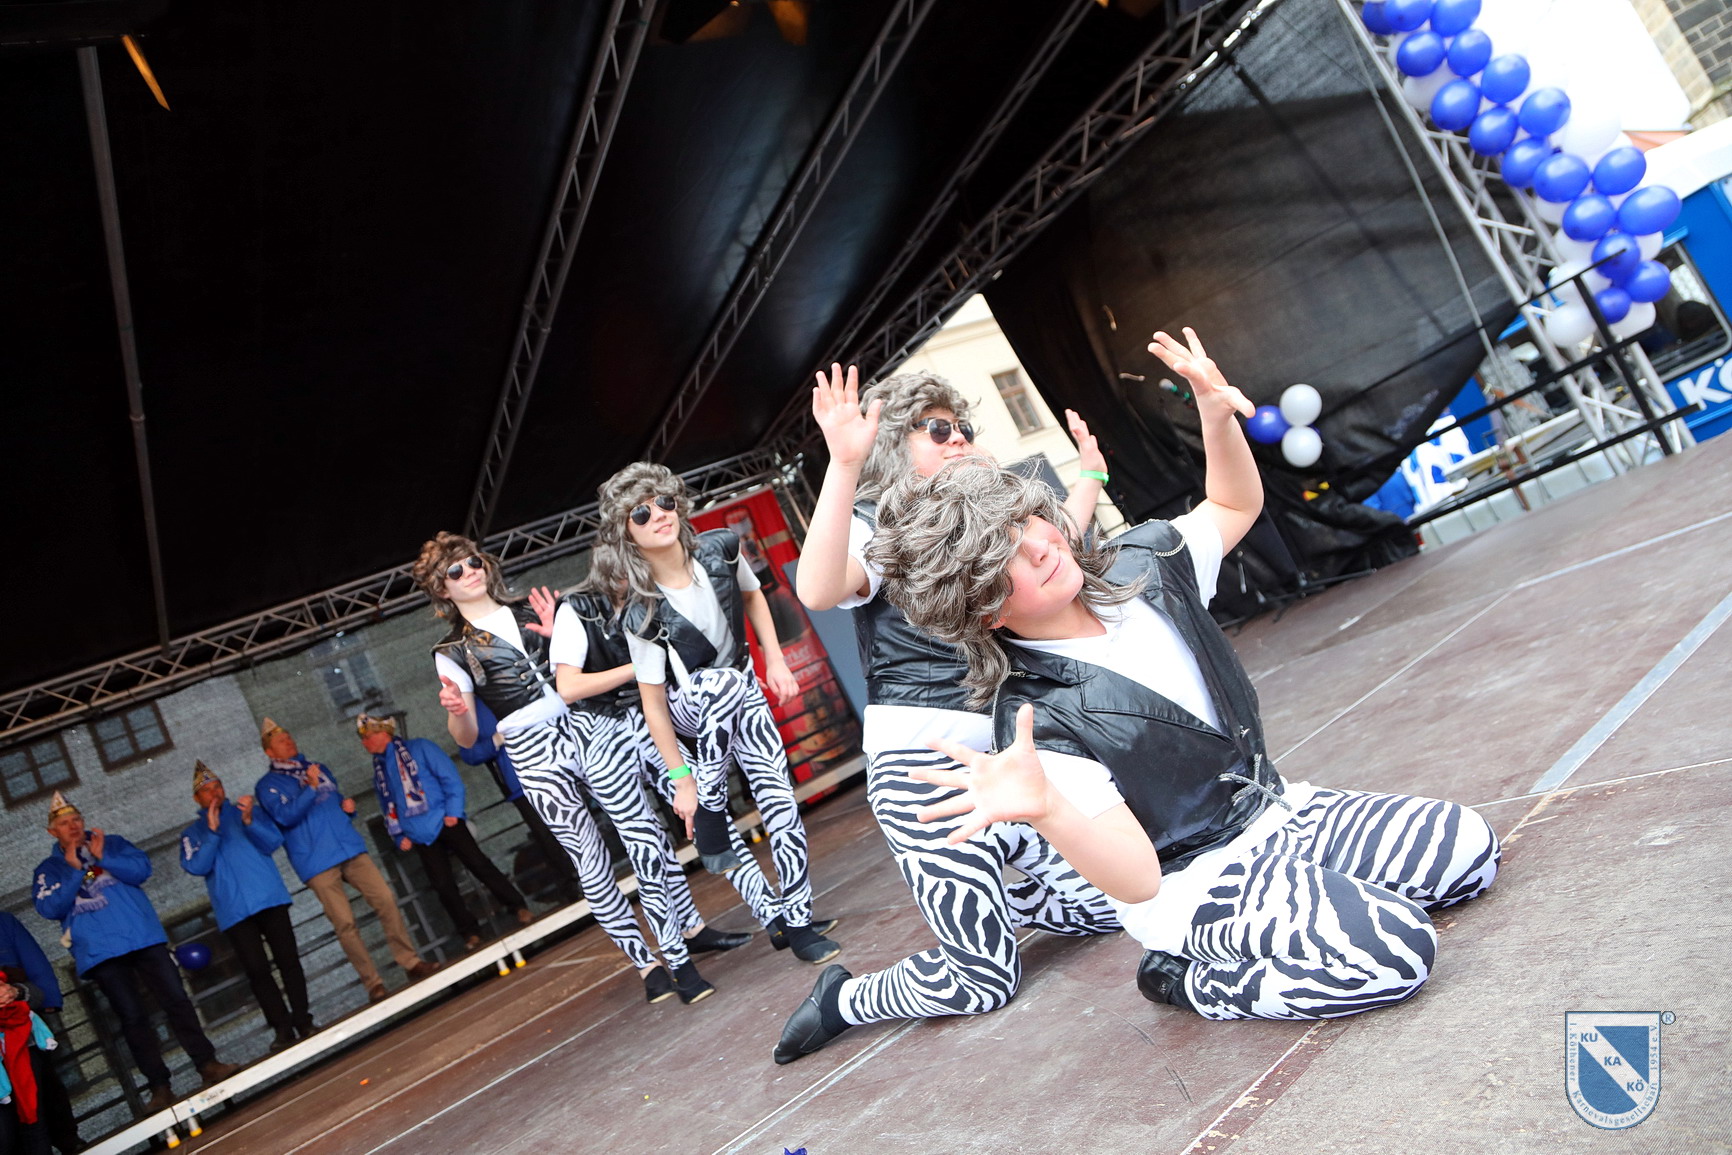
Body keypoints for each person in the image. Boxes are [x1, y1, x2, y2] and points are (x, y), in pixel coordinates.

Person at [864, 329, 1502, 1022]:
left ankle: (1315, 900)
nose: (1040, 547)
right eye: (1007, 557)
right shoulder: (1036, 718)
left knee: (1469, 849)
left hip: (1284, 813)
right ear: (984, 608)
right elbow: (1138, 878)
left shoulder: (1145, 564)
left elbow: (1232, 506)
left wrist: (1216, 419)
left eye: (1029, 522)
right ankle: (1186, 978)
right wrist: (1047, 807)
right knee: (1395, 951)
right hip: (1198, 879)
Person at [774, 365, 1119, 1064]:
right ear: (894, 446)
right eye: (937, 428)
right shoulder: (881, 525)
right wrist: (844, 464)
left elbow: (1059, 543)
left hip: (1005, 764)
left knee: (1114, 900)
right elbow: (818, 587)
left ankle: (989, 900)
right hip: (924, 773)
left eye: (962, 426)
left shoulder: (980, 521)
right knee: (985, 980)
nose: (957, 436)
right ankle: (844, 999)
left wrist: (1091, 475)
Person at [415, 533, 719, 1005]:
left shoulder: (532, 608)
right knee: (589, 858)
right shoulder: (451, 650)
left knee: (644, 830)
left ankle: (691, 928)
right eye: (455, 571)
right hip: (531, 748)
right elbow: (468, 736)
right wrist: (456, 711)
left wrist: (561, 630)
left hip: (588, 722)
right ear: (442, 589)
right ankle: (646, 964)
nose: (469, 572)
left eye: (473, 562)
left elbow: (584, 659)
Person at [590, 463, 838, 965]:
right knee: (720, 682)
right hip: (689, 708)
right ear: (626, 533)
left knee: (781, 806)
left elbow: (753, 595)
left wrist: (775, 659)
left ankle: (792, 919)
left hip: (742, 693)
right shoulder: (640, 613)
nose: (659, 514)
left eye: (664, 502)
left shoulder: (721, 548)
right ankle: (709, 799)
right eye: (642, 513)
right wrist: (682, 779)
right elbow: (653, 704)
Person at [539, 581, 758, 958]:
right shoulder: (578, 606)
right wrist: (638, 666)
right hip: (592, 732)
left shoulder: (646, 597)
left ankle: (766, 916)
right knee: (640, 849)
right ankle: (667, 959)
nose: (471, 573)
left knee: (704, 814)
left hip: (642, 719)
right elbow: (568, 687)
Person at [31, 793, 237, 1114]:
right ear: (52, 832)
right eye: (64, 823)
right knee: (132, 1018)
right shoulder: (49, 870)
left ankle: (207, 1064)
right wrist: (73, 870)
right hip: (101, 952)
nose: (73, 826)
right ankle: (159, 1086)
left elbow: (141, 870)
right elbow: (49, 908)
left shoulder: (111, 843)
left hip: (143, 937)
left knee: (177, 1001)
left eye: (76, 819)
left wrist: (104, 857)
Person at [254, 720, 437, 1002]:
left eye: (289, 737)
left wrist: (347, 809)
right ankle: (373, 983)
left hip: (348, 846)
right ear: (269, 752)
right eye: (281, 741)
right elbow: (285, 817)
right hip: (316, 859)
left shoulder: (317, 767)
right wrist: (310, 788)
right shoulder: (268, 785)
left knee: (386, 898)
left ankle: (410, 962)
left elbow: (334, 800)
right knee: (345, 922)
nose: (289, 742)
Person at [356, 714, 532, 952]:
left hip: (445, 820)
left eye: (367, 737)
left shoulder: (421, 748)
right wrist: (398, 835)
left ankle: (517, 906)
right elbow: (387, 805)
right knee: (442, 885)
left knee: (479, 865)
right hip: (420, 834)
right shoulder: (379, 771)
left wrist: (454, 811)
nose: (364, 743)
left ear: (383, 734)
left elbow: (450, 779)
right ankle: (470, 932)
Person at [178, 760, 314, 1052]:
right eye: (207, 790)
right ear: (196, 798)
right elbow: (196, 867)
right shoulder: (192, 834)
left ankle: (304, 1020)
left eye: (217, 786)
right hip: (234, 911)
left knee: (289, 961)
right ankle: (282, 1028)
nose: (215, 793)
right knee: (257, 971)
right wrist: (212, 832)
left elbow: (273, 841)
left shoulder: (247, 811)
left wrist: (250, 821)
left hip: (269, 898)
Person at [0, 913, 82, 1154]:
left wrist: (16, 992)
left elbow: (37, 977)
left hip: (23, 1039)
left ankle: (68, 1140)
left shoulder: (4, 923)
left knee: (39, 1108)